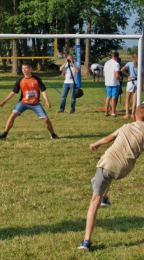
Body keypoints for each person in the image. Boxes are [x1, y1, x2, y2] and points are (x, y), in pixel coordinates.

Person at [78, 104, 144, 251]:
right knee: (110, 174)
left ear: (134, 116)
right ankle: (104, 198)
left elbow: (108, 139)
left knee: (94, 201)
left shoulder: (126, 126)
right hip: (124, 170)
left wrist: (95, 144)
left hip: (107, 163)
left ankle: (86, 241)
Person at [0, 61, 59, 140]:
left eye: (26, 68)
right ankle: (4, 134)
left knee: (46, 119)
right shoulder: (20, 80)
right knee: (12, 115)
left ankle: (53, 135)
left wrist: (47, 101)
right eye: (22, 68)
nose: (24, 70)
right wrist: (4, 101)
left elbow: (43, 91)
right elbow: (13, 92)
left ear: (30, 69)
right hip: (23, 103)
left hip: (35, 103)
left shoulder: (36, 79)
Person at [121, 53, 143, 119]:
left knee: (127, 99)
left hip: (130, 81)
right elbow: (142, 76)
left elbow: (122, 70)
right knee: (135, 100)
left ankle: (127, 114)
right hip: (138, 82)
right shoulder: (140, 65)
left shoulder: (129, 63)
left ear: (132, 58)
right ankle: (133, 114)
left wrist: (128, 75)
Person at [103, 51, 121, 117]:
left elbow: (104, 74)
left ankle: (106, 112)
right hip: (115, 82)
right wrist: (120, 78)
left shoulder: (106, 63)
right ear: (117, 57)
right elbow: (117, 75)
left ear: (112, 56)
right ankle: (113, 112)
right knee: (114, 98)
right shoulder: (116, 64)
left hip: (107, 82)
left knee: (108, 97)